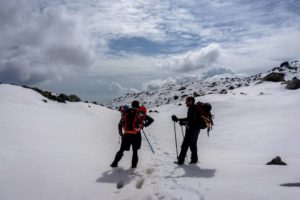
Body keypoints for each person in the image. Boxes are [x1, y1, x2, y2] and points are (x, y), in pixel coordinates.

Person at [111, 100, 154, 168]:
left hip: (126, 135)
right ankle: (133, 167)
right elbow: (151, 120)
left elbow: (120, 125)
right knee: (135, 151)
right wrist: (143, 125)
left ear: (132, 105)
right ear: (138, 105)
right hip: (136, 134)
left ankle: (114, 163)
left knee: (121, 150)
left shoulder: (126, 112)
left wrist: (121, 134)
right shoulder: (140, 113)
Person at [171, 96, 202, 165]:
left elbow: (191, 120)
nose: (185, 103)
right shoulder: (192, 108)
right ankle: (194, 160)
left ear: (191, 101)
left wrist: (180, 121)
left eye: (187, 101)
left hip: (192, 130)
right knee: (193, 145)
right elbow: (189, 119)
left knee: (184, 146)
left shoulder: (193, 109)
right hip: (195, 129)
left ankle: (180, 161)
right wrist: (180, 120)